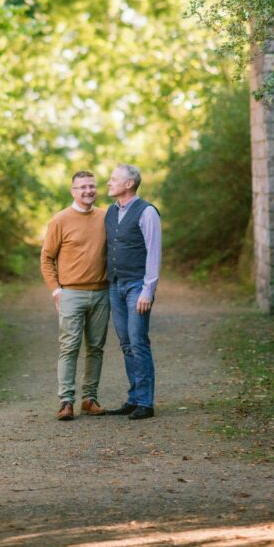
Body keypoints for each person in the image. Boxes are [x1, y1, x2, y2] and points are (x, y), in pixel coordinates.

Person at [40, 170, 110, 421]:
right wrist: (56, 289)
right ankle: (65, 401)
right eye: (82, 187)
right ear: (73, 191)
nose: (88, 191)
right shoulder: (60, 220)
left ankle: (89, 399)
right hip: (71, 293)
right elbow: (47, 258)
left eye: (91, 186)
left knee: (96, 348)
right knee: (69, 347)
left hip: (102, 293)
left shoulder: (106, 216)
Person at [105, 164, 161, 420]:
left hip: (137, 286)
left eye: (114, 179)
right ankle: (133, 398)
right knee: (126, 343)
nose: (108, 182)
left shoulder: (147, 212)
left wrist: (148, 291)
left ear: (129, 184)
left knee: (138, 342)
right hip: (115, 285)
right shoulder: (110, 212)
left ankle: (145, 402)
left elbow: (153, 252)